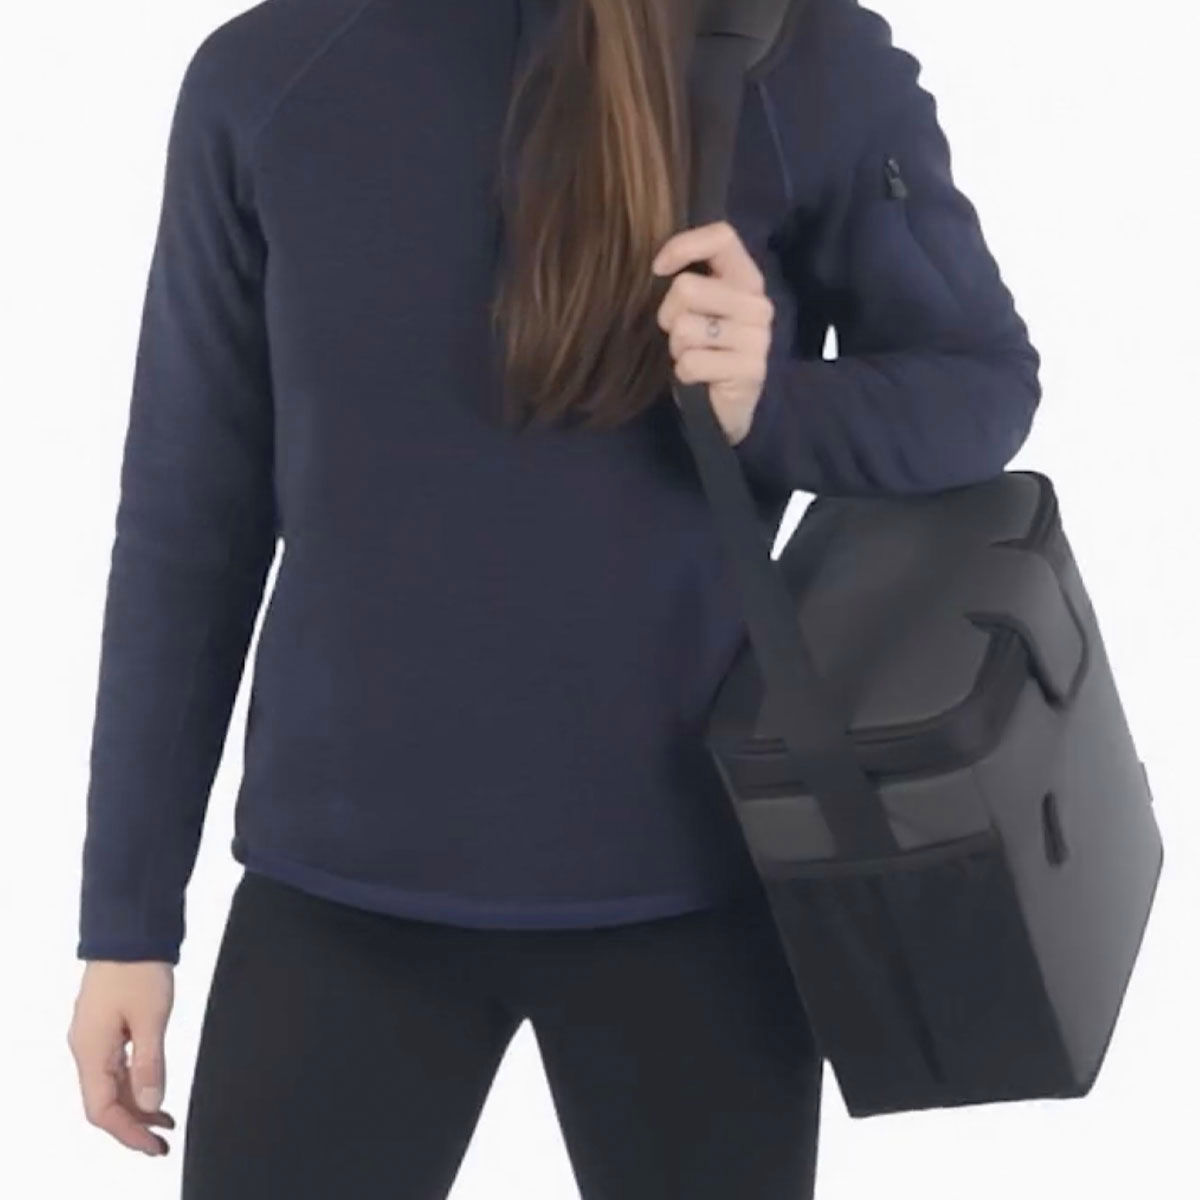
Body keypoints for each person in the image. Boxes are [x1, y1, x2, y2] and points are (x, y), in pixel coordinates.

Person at [66, 0, 1042, 1195]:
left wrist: (773, 403)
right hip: (341, 892)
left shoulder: (796, 48)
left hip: (702, 896)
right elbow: (189, 524)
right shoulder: (268, 74)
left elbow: (982, 388)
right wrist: (128, 922)